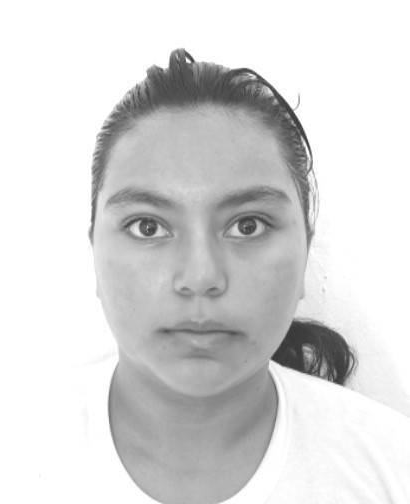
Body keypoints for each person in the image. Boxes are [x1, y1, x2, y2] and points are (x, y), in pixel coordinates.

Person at [65, 49, 410, 503]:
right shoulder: (10, 456)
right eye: (148, 227)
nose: (200, 277)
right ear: (94, 250)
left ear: (306, 250)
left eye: (248, 226)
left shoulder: (395, 469)